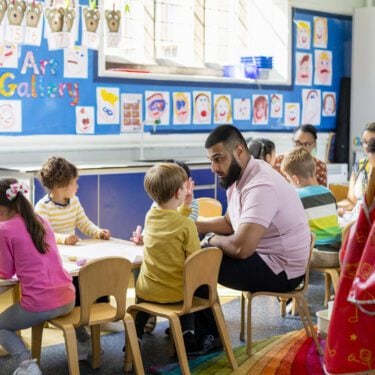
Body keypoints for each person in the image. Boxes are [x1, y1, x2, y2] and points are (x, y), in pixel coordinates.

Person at [194, 124, 311, 355]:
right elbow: (230, 223)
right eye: (211, 160)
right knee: (198, 251)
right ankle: (193, 328)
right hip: (267, 257)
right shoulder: (239, 176)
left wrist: (210, 239)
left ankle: (208, 335)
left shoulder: (260, 184)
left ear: (239, 151)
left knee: (198, 262)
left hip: (283, 270)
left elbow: (240, 248)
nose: (214, 167)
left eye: (219, 159)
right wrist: (191, 225)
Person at [0, 178, 75, 374]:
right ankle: (83, 346)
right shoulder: (41, 220)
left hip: (41, 304)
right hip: (68, 298)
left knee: (1, 326)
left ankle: (27, 365)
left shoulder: (4, 229)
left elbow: (6, 273)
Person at [135, 163, 201, 352]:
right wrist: (186, 208)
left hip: (148, 293)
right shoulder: (187, 226)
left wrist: (185, 206)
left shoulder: (150, 216)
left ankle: (136, 335)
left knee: (141, 292)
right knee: (188, 289)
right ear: (177, 193)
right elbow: (195, 259)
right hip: (176, 294)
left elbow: (171, 219)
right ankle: (187, 333)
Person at [281, 148, 342, 267]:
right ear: (314, 169)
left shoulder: (296, 196)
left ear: (295, 179)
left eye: (288, 180)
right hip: (339, 254)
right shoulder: (329, 193)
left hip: (317, 255)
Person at [35, 156, 111, 245]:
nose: (77, 186)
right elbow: (44, 234)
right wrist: (64, 239)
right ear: (61, 185)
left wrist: (99, 232)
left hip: (71, 250)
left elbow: (84, 224)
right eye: (74, 182)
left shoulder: (74, 201)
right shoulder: (43, 207)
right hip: (53, 252)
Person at [337, 123, 375, 212]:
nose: (367, 146)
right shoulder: (360, 165)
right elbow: (351, 201)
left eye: (372, 142)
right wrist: (333, 207)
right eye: (364, 142)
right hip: (356, 216)